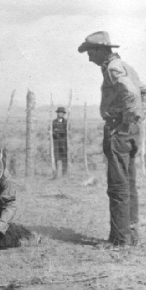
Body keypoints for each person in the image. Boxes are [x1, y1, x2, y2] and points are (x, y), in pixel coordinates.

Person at [78, 31, 146, 246]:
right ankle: (131, 233)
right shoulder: (125, 66)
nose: (89, 58)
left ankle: (120, 239)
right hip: (132, 131)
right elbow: (142, 91)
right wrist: (137, 121)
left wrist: (125, 122)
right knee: (129, 183)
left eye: (90, 52)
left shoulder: (113, 67)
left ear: (100, 50)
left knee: (118, 185)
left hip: (120, 130)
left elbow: (133, 95)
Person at [52, 106, 68, 177]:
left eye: (61, 113)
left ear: (63, 114)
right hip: (56, 142)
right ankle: (56, 173)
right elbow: (52, 132)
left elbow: (67, 132)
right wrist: (56, 132)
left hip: (64, 143)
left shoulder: (66, 122)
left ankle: (64, 173)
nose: (60, 114)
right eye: (59, 113)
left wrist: (58, 131)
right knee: (56, 157)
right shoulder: (54, 122)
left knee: (64, 157)